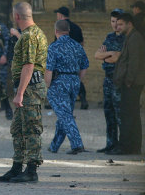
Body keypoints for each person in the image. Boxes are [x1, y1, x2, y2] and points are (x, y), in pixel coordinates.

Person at [0, 2, 47, 183]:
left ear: (16, 16)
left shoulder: (29, 36)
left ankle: (32, 169)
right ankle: (17, 166)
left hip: (29, 89)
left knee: (31, 129)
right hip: (28, 87)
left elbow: (29, 65)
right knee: (18, 129)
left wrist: (20, 93)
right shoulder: (32, 34)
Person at [45, 20, 89, 154]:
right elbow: (85, 66)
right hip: (74, 80)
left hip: (58, 82)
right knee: (65, 114)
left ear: (56, 31)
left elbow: (49, 70)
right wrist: (76, 80)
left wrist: (46, 87)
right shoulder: (77, 46)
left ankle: (77, 144)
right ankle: (54, 146)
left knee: (65, 115)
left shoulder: (53, 47)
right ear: (68, 31)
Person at [110, 13, 145, 155]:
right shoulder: (130, 37)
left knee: (128, 115)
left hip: (132, 83)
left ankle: (126, 146)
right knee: (131, 115)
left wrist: (129, 81)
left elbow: (134, 62)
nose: (118, 27)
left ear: (129, 24)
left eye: (121, 24)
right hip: (130, 82)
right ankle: (132, 146)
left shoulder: (135, 38)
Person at [94, 9, 125, 153]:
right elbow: (97, 55)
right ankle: (110, 143)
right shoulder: (109, 36)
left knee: (120, 114)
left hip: (118, 80)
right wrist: (109, 54)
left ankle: (122, 145)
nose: (115, 25)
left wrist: (107, 55)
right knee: (109, 113)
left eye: (118, 22)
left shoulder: (125, 38)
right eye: (113, 22)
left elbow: (117, 57)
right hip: (107, 80)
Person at [54, 6, 88, 109]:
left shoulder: (59, 28)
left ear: (60, 15)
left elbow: (57, 44)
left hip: (62, 59)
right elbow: (81, 43)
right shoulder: (76, 27)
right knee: (76, 78)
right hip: (75, 58)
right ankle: (83, 99)